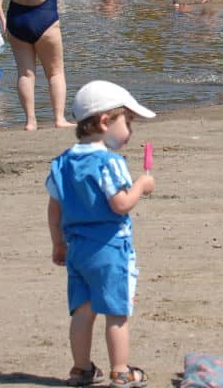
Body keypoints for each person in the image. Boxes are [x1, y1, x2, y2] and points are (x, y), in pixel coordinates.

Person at [46, 81, 156, 388]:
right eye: (128, 123)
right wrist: (141, 186)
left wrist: (57, 242)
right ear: (105, 122)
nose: (130, 132)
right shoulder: (110, 162)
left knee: (82, 311)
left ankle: (81, 369)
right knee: (116, 311)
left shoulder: (63, 162)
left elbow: (54, 208)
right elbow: (120, 204)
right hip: (109, 248)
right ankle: (120, 370)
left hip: (76, 248)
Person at [4, 0, 83, 131]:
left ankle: (30, 121)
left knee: (25, 73)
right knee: (55, 72)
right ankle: (58, 118)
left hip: (17, 19)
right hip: (44, 19)